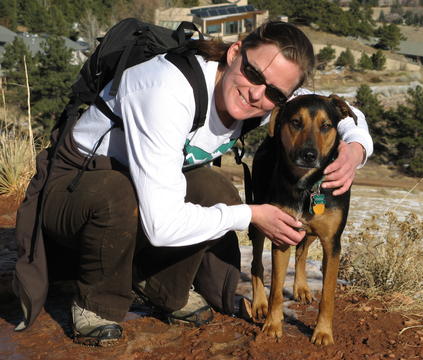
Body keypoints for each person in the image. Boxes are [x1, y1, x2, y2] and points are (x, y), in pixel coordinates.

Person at [20, 21, 373, 345]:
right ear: (236, 52)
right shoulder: (165, 89)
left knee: (215, 190)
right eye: (252, 73)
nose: (256, 95)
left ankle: (161, 287)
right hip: (77, 185)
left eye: (274, 94)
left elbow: (335, 111)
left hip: (144, 182)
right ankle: (96, 302)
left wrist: (355, 149)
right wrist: (248, 215)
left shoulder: (267, 91)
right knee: (117, 196)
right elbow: (161, 226)